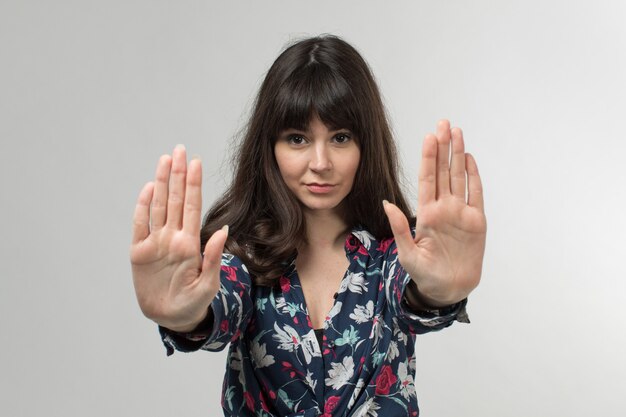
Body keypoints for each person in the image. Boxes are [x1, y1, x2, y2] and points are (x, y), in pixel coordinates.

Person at [130, 35, 486, 417]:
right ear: (270, 148)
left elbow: (413, 296)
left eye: (340, 137)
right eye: (297, 138)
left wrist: (438, 293)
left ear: (366, 144)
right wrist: (183, 316)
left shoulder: (396, 255)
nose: (320, 162)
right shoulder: (244, 259)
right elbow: (217, 308)